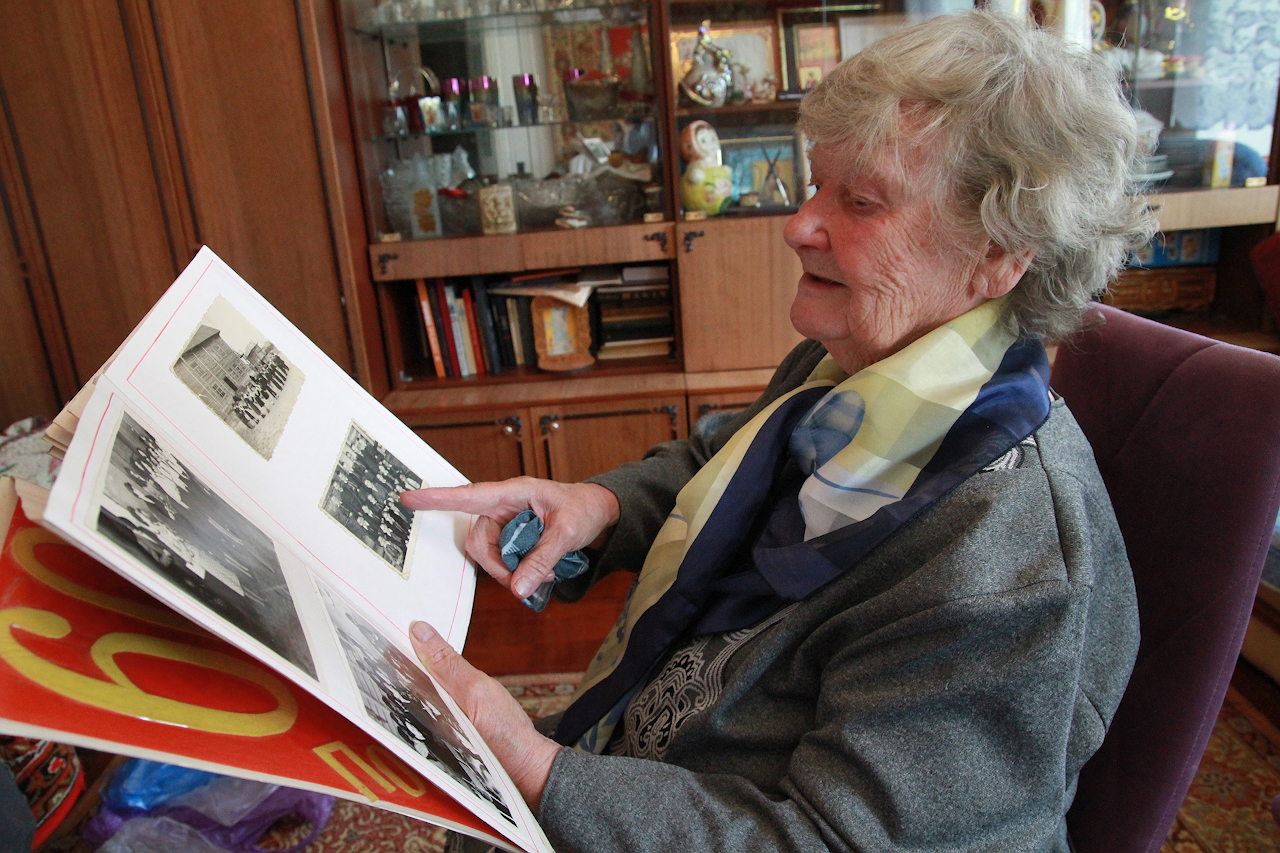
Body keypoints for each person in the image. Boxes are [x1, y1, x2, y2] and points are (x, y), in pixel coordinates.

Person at [403, 11, 1154, 852]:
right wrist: (598, 506)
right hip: (662, 762)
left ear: (1000, 254)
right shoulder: (857, 368)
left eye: (860, 201)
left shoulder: (1001, 560)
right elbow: (715, 463)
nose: (799, 224)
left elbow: (836, 841)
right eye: (816, 183)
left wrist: (539, 770)